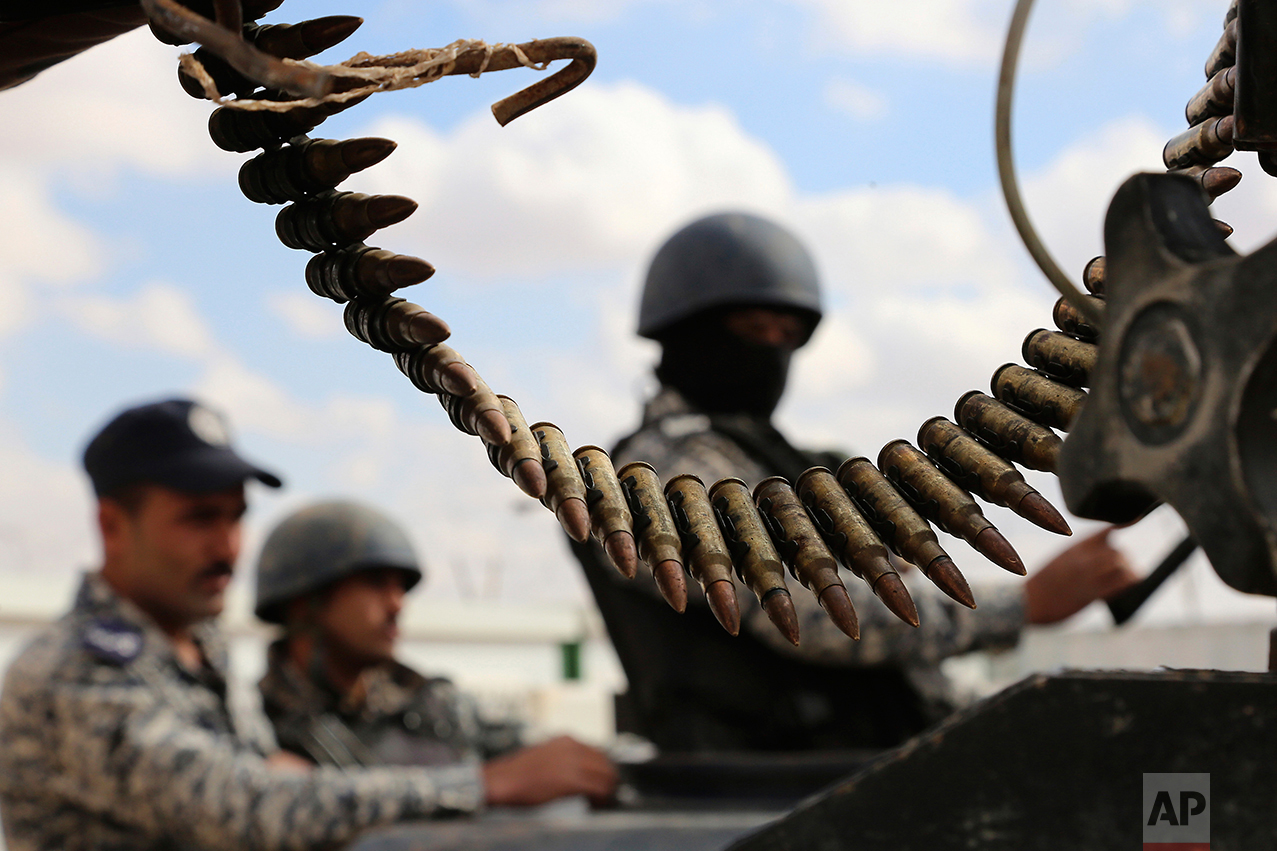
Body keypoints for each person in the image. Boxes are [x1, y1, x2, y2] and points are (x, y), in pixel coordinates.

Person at [569, 211, 1140, 753]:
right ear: (684, 333)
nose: (769, 350)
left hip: (859, 763)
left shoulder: (774, 462)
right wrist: (1022, 606)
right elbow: (806, 611)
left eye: (785, 334)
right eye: (749, 329)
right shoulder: (653, 473)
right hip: (767, 784)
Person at [0, 397, 612, 851]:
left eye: (237, 518)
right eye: (199, 518)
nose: (228, 546)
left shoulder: (194, 650)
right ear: (112, 526)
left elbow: (272, 780)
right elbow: (245, 807)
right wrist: (486, 784)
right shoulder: (74, 674)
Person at [253, 499, 617, 804]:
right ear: (304, 604)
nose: (397, 605)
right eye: (376, 583)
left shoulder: (433, 707)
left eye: (401, 588)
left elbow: (538, 753)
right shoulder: (254, 725)